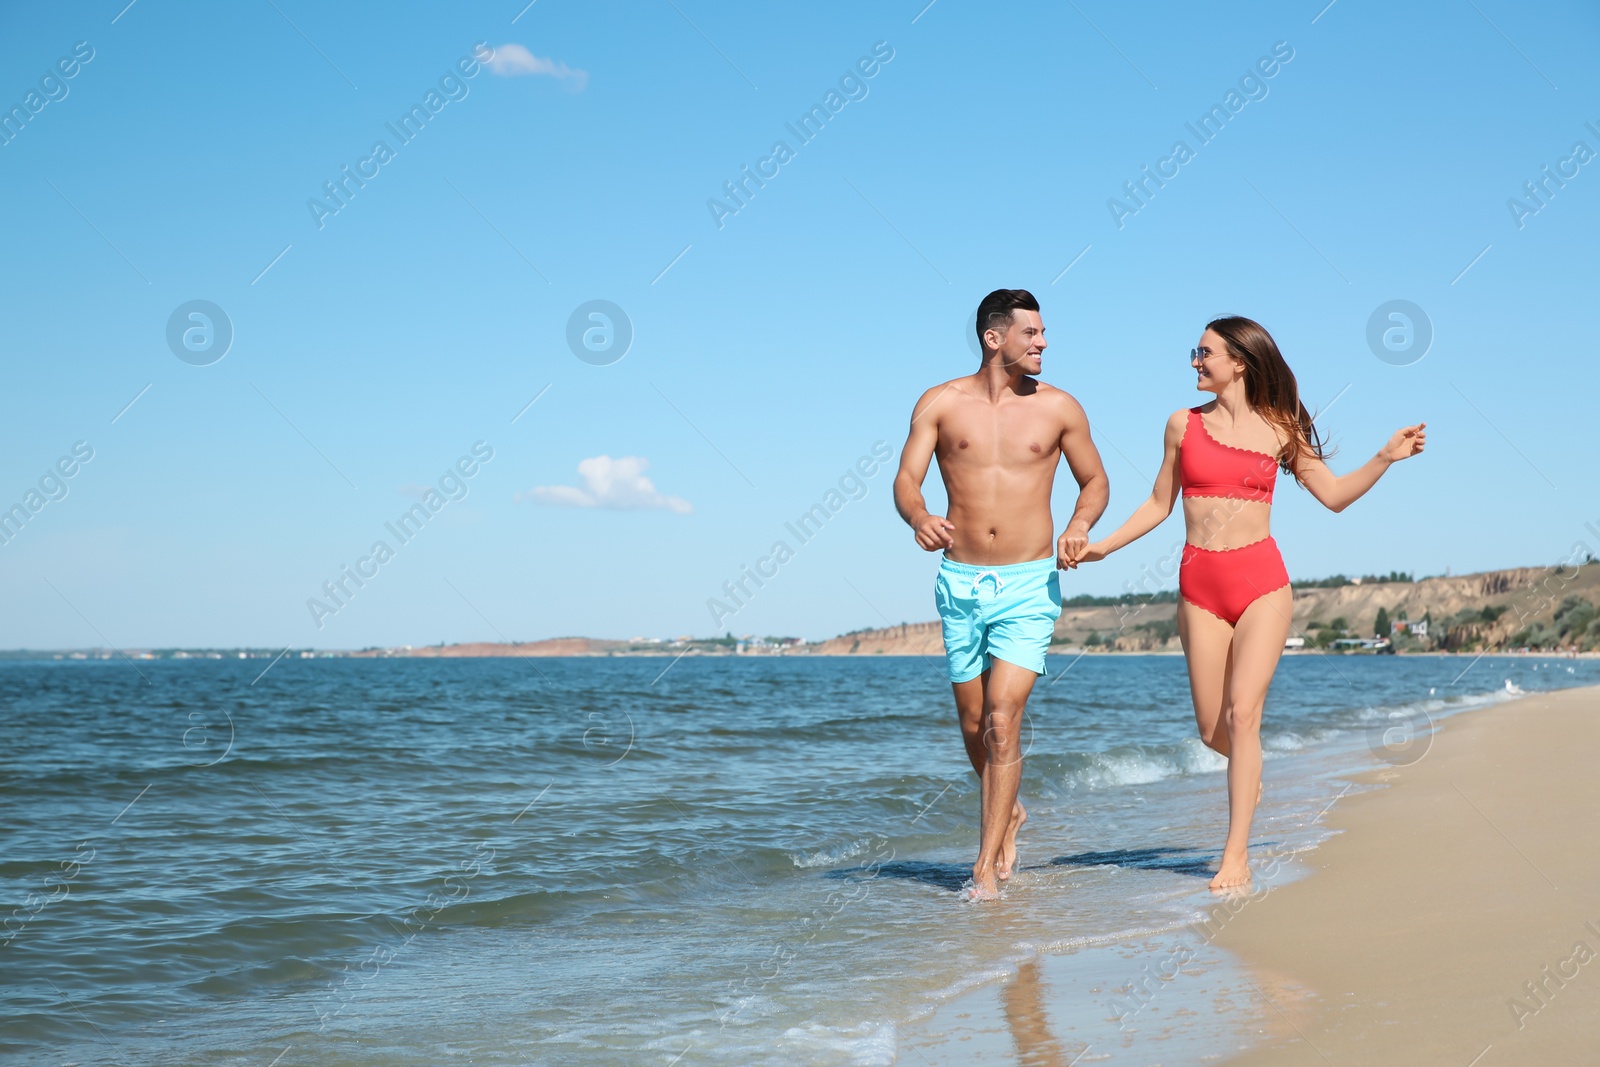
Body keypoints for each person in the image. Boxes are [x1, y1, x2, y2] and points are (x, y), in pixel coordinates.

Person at [1081, 316, 1425, 890]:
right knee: (1212, 729)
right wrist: (1102, 549)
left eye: (1204, 352)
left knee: (1243, 717)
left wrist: (1385, 457)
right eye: (1195, 352)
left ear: (1238, 361)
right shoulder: (1180, 425)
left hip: (1263, 582)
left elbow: (1334, 496)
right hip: (1200, 588)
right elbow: (1157, 503)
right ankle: (1249, 766)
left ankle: (1234, 856)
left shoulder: (1279, 429)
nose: (1195, 361)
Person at [893, 289, 1109, 901]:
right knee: (971, 723)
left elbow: (1095, 480)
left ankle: (984, 868)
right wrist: (918, 516)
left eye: (1043, 334)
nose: (1043, 343)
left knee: (1001, 718)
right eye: (1031, 333)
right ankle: (1007, 810)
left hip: (1028, 582)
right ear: (995, 338)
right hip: (960, 581)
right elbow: (906, 480)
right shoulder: (940, 403)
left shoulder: (1060, 408)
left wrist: (1078, 525)